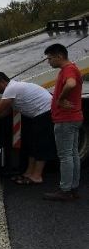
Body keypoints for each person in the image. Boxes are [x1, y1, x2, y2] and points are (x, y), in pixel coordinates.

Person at [0, 72, 56, 184]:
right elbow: (6, 112)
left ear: (3, 82)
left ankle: (37, 176)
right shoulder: (12, 89)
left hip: (45, 112)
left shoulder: (11, 88)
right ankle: (28, 173)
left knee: (41, 144)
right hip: (37, 114)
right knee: (32, 144)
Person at [42, 43, 84, 201]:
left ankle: (65, 190)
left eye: (50, 58)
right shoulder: (71, 69)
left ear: (59, 57)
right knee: (73, 154)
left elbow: (71, 84)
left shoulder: (68, 70)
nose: (49, 61)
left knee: (66, 155)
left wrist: (60, 99)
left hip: (66, 119)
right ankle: (72, 187)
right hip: (74, 118)